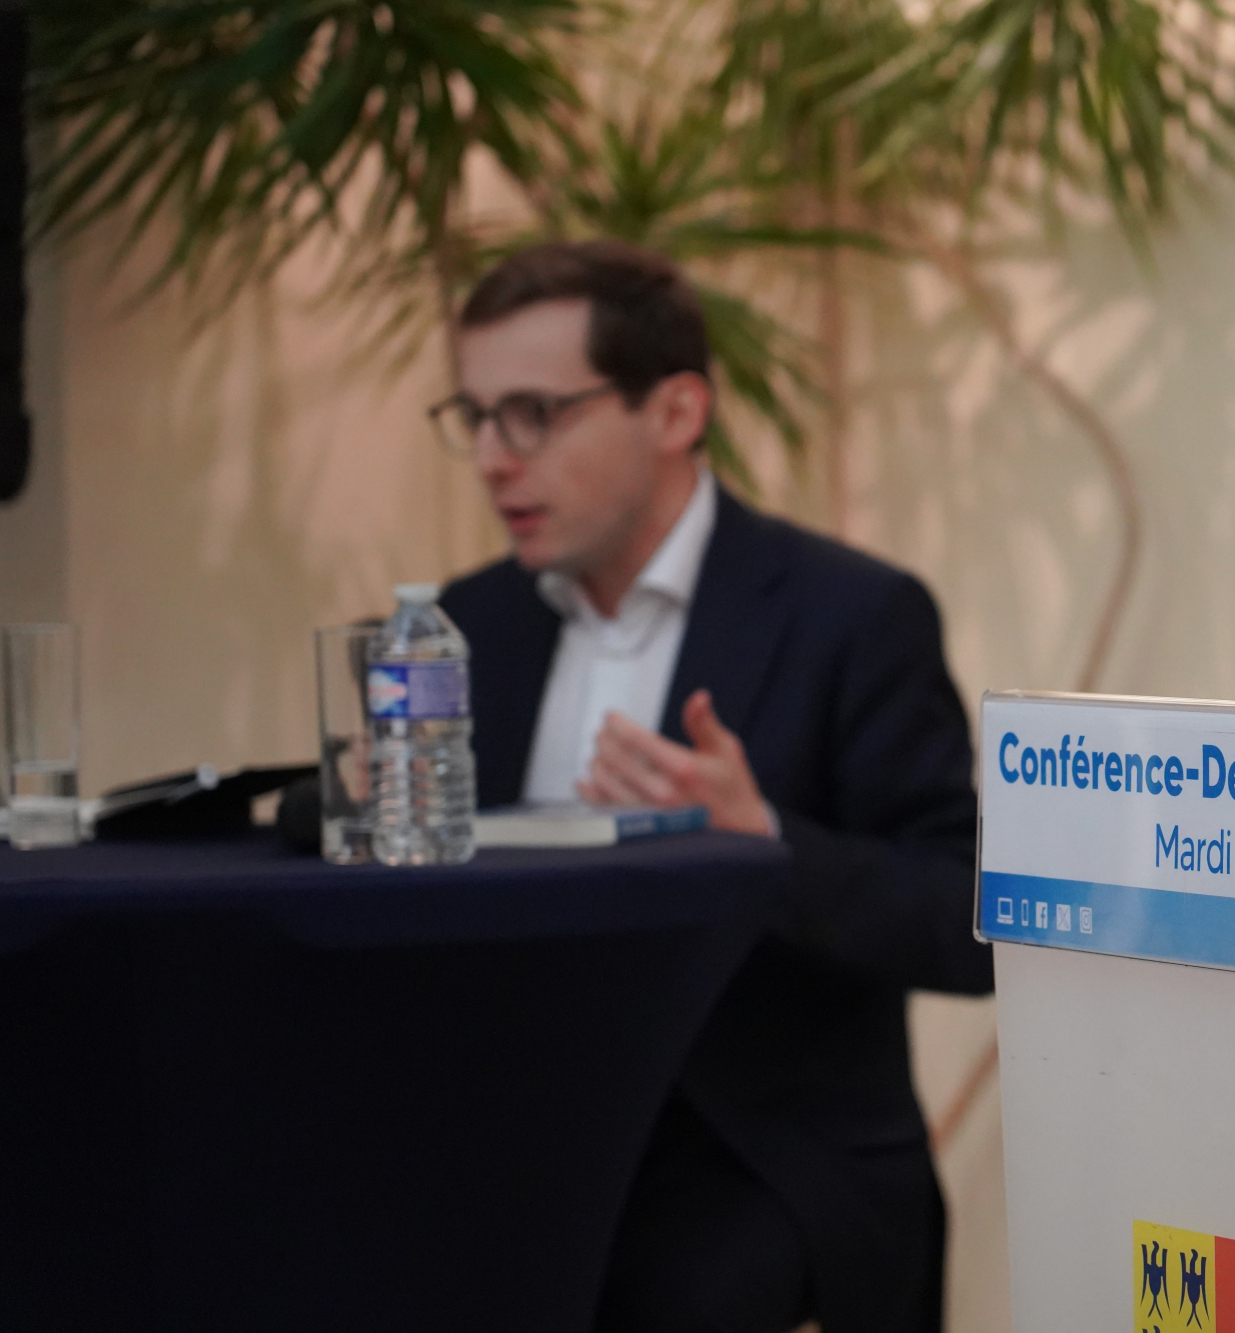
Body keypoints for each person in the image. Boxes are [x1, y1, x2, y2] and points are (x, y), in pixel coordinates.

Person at [431, 240, 992, 1333]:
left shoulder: (849, 615)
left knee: (678, 1293)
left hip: (756, 1150)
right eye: (477, 417)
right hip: (519, 1138)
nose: (495, 459)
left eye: (534, 414)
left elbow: (967, 918)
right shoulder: (471, 624)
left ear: (677, 411)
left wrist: (763, 841)